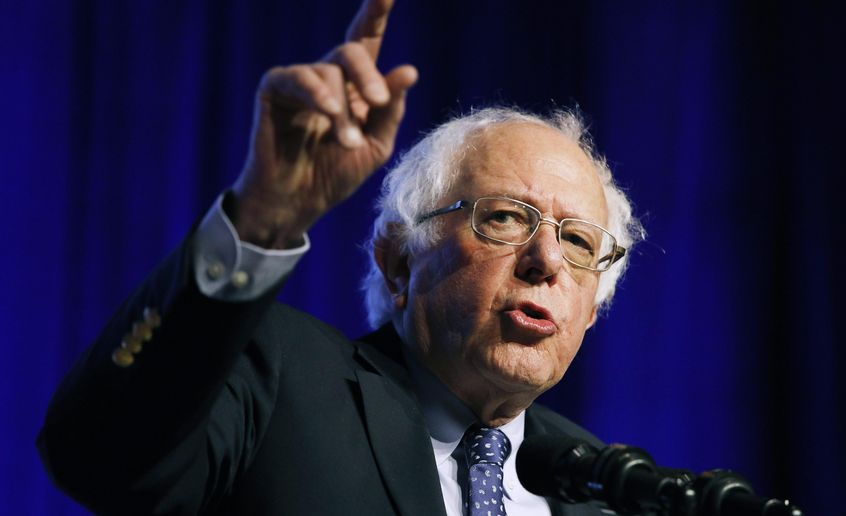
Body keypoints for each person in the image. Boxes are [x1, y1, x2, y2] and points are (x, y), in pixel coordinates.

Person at [37, 0, 642, 514]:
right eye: (506, 217)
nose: (546, 260)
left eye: (580, 242)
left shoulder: (602, 484)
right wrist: (260, 219)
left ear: (592, 312)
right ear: (400, 262)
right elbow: (98, 456)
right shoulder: (276, 378)